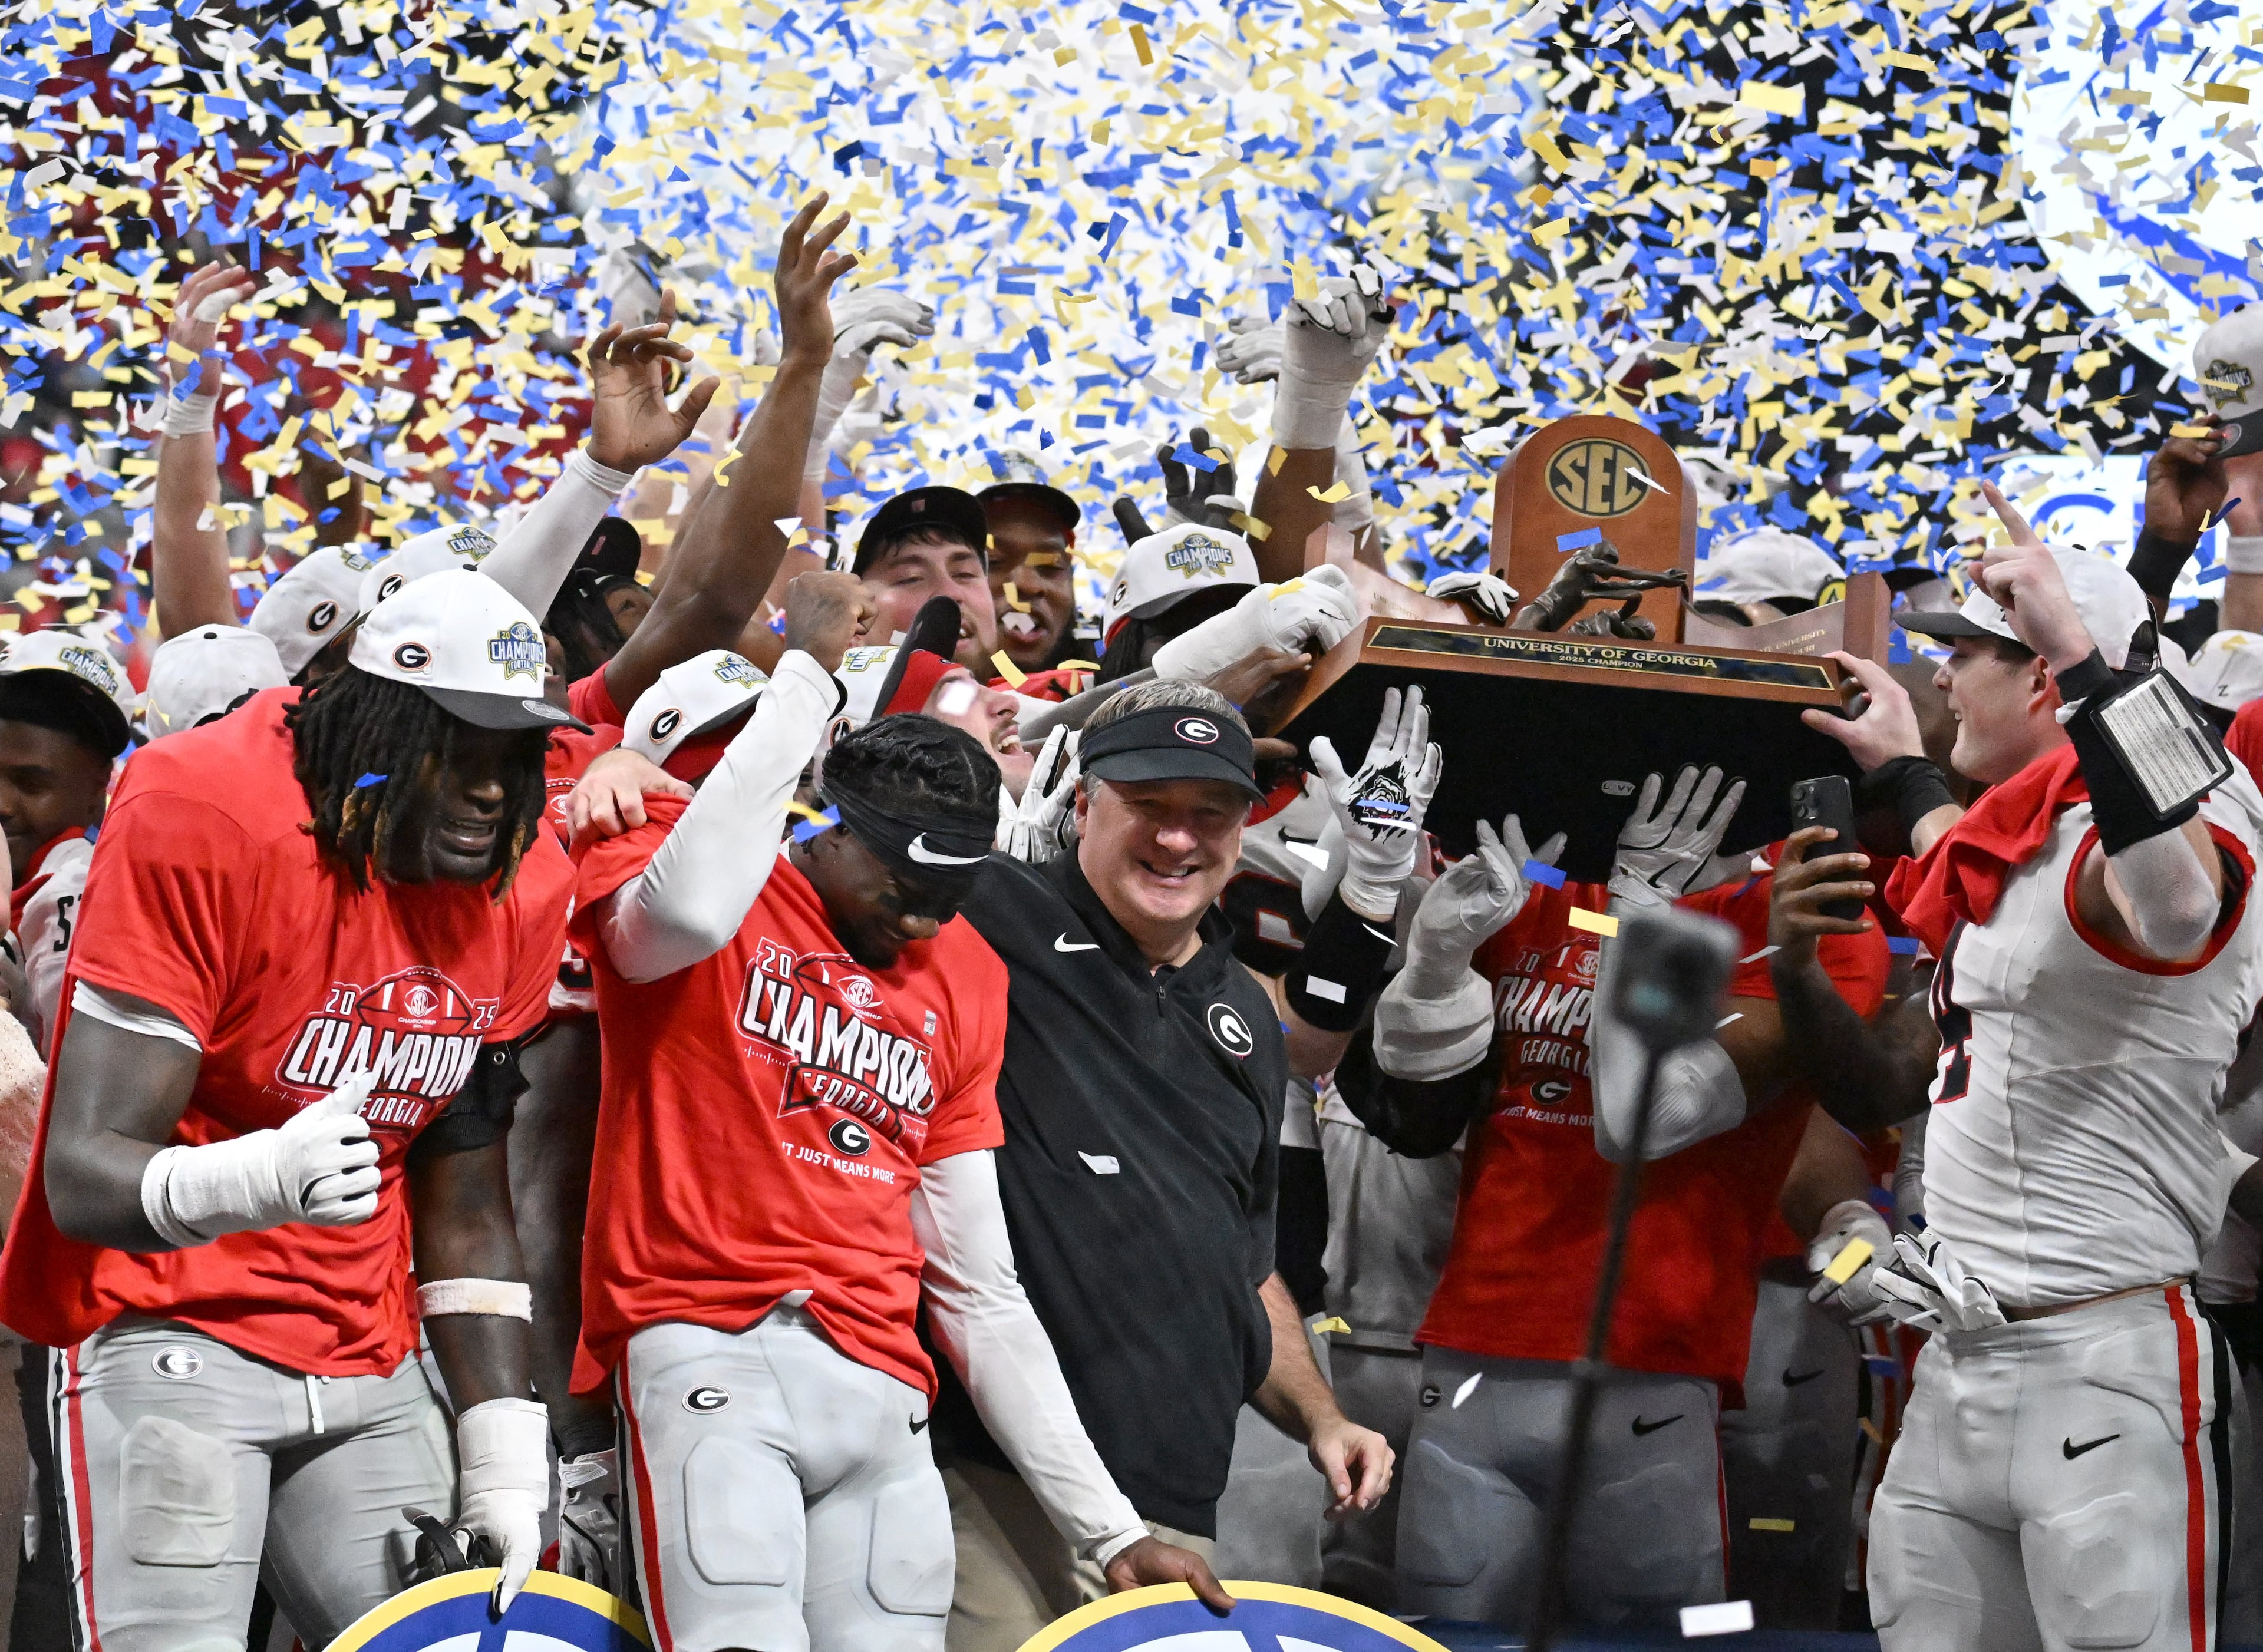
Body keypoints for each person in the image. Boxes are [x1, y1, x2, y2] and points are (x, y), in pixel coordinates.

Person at [563, 570, 1224, 1650]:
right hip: (709, 1344)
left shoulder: (961, 964)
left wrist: (1108, 1529)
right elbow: (675, 910)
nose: (922, 913)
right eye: (903, 877)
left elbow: (979, 1284)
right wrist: (806, 673)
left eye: (953, 891)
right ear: (821, 819)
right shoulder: (695, 863)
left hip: (883, 1385)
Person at [0, 570, 579, 1648]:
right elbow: (81, 1171)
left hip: (365, 1341)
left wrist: (504, 1448)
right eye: (458, 747)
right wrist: (258, 1175)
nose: (493, 789)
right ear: (371, 724)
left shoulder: (525, 873)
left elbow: (467, 1186)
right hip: (165, 1317)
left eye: (516, 755)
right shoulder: (205, 806)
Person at [1805, 484, 2263, 1651]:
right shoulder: (2027, 821)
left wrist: (2079, 644)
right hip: (1958, 1353)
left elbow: (2173, 904)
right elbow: (1972, 861)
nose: (1943, 673)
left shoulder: (2184, 806)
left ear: (2051, 676)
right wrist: (1907, 769)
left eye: (1967, 649)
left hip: (2104, 1355)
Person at [1332, 765, 1888, 1633]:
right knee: (1451, 1633)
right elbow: (1409, 1101)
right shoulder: (1547, 893)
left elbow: (1651, 1118)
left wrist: (1641, 918)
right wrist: (1404, 913)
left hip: (1655, 1350)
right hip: (1477, 1340)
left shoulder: (1797, 925)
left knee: (1655, 1639)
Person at [933, 681, 1394, 1652]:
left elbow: (1244, 1263)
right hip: (989, 1484)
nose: (1179, 840)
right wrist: (638, 764)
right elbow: (805, 869)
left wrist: (1321, 1415)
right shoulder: (986, 912)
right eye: (1150, 807)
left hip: (1177, 1509)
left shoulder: (1242, 1017)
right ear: (1085, 802)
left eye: (1208, 814)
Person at [0, 630, 139, 1055]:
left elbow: (78, 1093)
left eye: (31, 783)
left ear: (99, 787)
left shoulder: (77, 894)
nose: (2, 804)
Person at [977, 480, 1082, 681]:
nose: (1028, 585)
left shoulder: (1122, 683)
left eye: (1051, 565)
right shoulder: (905, 695)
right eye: (994, 561)